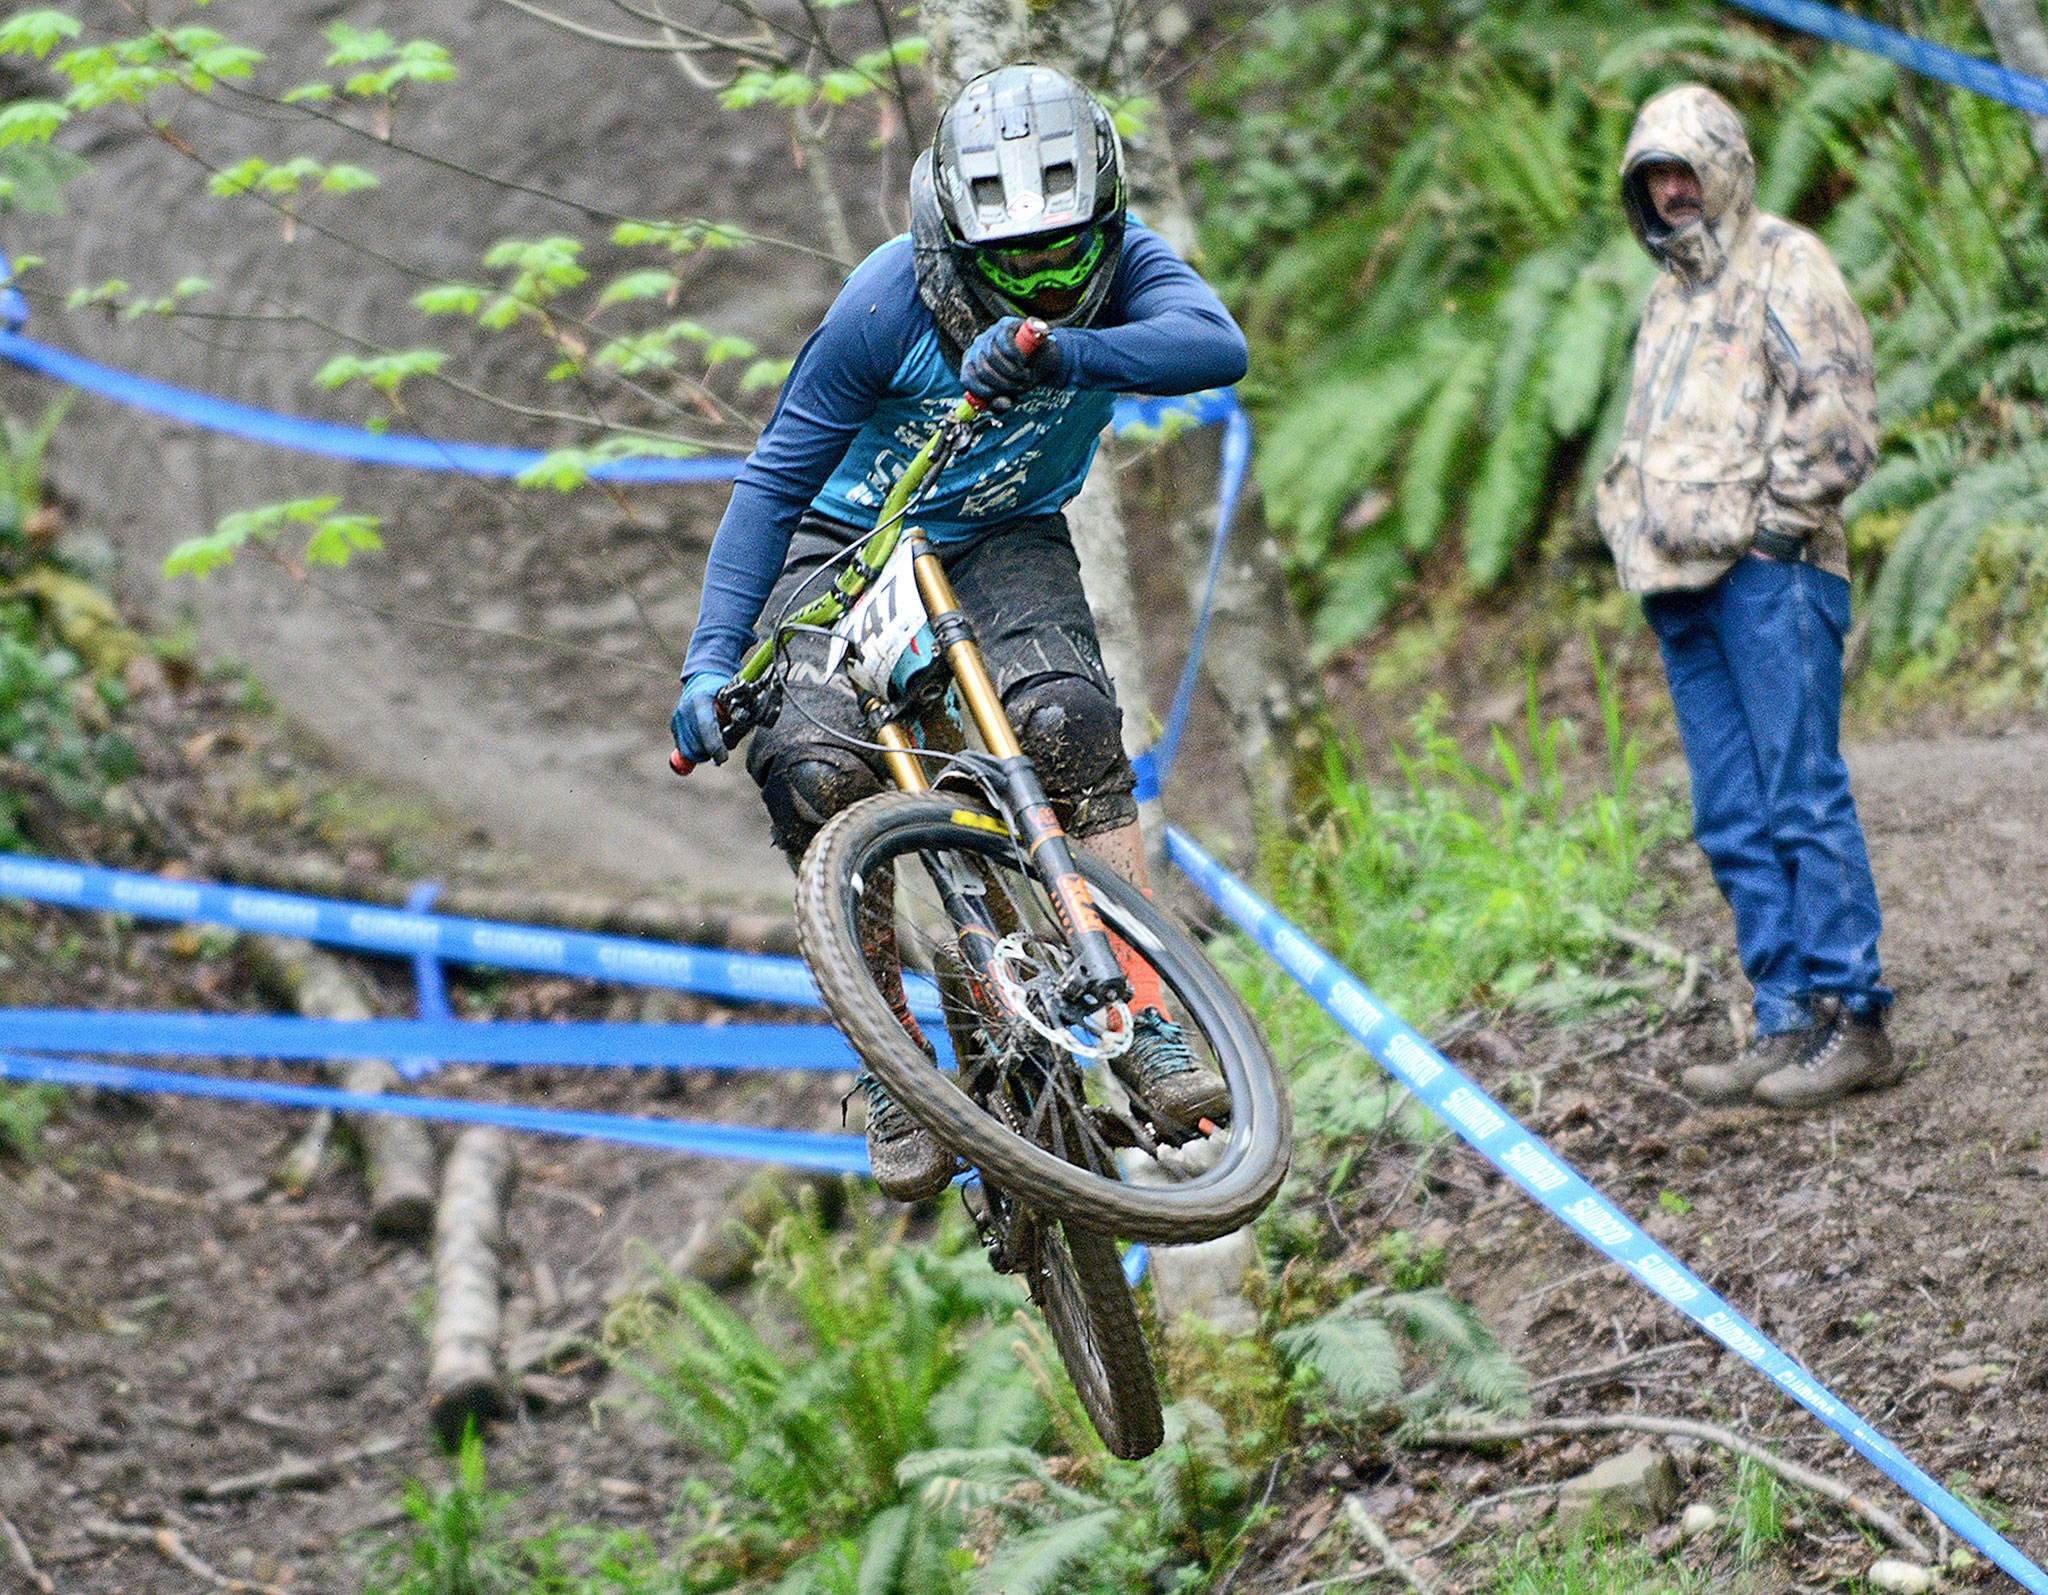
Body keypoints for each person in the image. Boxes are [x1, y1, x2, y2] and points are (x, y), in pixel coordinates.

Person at [670, 64, 1246, 1196]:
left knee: (1068, 720)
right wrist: (706, 656)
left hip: (1001, 532)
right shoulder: (886, 303)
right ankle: (888, 1057)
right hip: (839, 547)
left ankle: (1140, 1003)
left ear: (1108, 212)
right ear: (952, 231)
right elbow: (771, 481)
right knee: (815, 770)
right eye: (1010, 260)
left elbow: (1213, 347)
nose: (1040, 276)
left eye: (1063, 250)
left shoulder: (1129, 264)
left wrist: (1065, 350)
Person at [1595, 83, 1902, 1111]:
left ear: (1724, 167)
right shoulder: (1665, 292)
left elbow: (1840, 410)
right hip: (1677, 587)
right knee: (1728, 812)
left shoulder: (1787, 261)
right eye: (1653, 176)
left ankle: (1855, 1019)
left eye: (1685, 169)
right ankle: (1784, 1019)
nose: (1671, 191)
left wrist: (1774, 528)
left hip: (1772, 574)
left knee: (1798, 794)